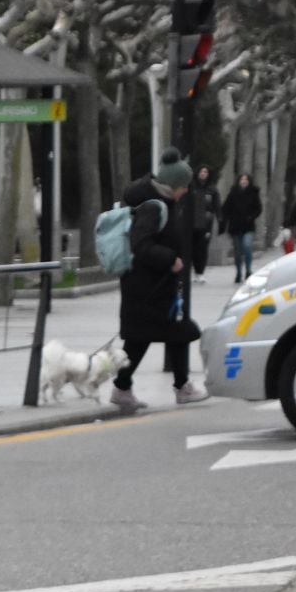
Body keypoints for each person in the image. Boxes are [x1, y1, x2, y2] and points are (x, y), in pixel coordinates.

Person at [111, 149, 207, 413]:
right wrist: (171, 259)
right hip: (148, 286)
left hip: (151, 285)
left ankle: (128, 388)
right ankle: (179, 387)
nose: (186, 191)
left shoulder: (158, 202)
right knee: (164, 333)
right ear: (172, 185)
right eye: (184, 186)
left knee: (149, 337)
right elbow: (141, 245)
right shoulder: (153, 206)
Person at [220, 173, 261, 282]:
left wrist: (251, 216)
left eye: (246, 179)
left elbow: (258, 208)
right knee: (237, 251)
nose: (243, 181)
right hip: (235, 226)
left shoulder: (254, 192)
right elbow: (225, 208)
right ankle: (238, 273)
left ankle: (248, 270)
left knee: (247, 246)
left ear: (249, 181)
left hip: (248, 225)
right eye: (241, 179)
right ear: (238, 181)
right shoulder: (233, 193)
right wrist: (226, 219)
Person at [188, 164, 220, 280]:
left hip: (206, 223)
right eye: (201, 171)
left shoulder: (212, 190)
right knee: (190, 248)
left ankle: (200, 272)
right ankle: (190, 271)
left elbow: (217, 206)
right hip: (191, 223)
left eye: (205, 172)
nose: (203, 174)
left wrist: (219, 219)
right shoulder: (191, 187)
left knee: (202, 248)